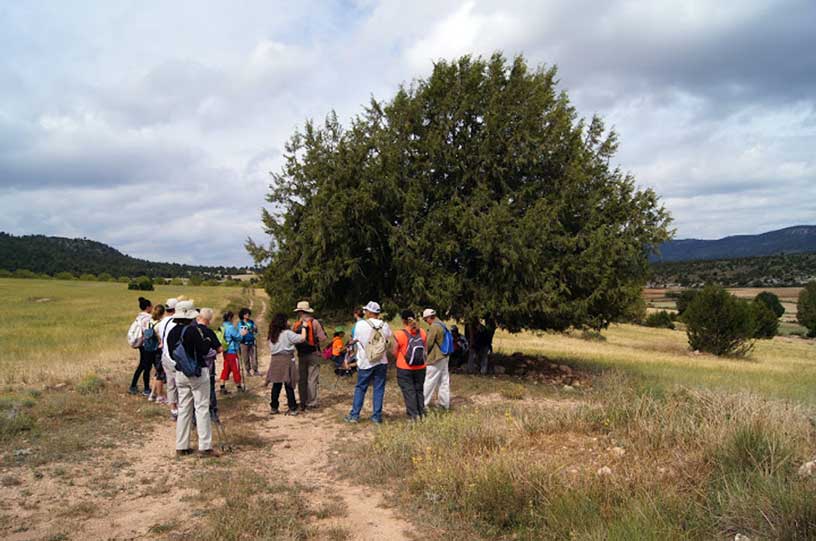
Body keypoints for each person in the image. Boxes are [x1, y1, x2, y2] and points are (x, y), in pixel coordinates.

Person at [167, 300, 218, 457]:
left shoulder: (171, 333)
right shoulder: (192, 331)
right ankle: (205, 446)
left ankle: (181, 446)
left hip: (181, 373)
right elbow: (203, 350)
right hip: (197, 372)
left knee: (184, 409)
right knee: (202, 408)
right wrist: (208, 340)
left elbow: (171, 354)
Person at [345, 301, 392, 424]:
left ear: (369, 312)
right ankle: (376, 416)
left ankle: (354, 415)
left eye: (366, 311)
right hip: (381, 360)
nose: (364, 312)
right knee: (379, 388)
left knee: (361, 388)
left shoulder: (361, 325)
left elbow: (355, 339)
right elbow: (387, 339)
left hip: (366, 361)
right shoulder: (385, 325)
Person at [264, 312, 307, 415]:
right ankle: (292, 407)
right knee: (289, 384)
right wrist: (304, 327)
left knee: (276, 385)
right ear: (283, 322)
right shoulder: (287, 333)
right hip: (286, 360)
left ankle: (274, 407)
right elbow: (302, 338)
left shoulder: (272, 335)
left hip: (275, 360)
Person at [292, 301, 327, 411]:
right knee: (312, 378)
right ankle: (311, 402)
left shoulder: (296, 324)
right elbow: (323, 338)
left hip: (301, 354)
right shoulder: (315, 322)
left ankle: (303, 401)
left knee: (302, 379)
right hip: (313, 353)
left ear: (300, 312)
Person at [394, 309, 427, 420]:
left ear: (403, 320)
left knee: (409, 391)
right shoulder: (422, 332)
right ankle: (421, 413)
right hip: (421, 366)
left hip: (404, 367)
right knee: (419, 390)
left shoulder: (399, 334)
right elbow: (425, 348)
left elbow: (394, 351)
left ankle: (413, 416)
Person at [422, 308, 451, 411]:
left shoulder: (434, 326)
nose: (426, 322)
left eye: (426, 320)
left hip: (436, 357)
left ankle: (423, 404)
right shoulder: (442, 324)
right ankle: (444, 404)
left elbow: (429, 343)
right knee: (444, 381)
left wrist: (425, 354)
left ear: (430, 317)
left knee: (429, 381)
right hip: (445, 356)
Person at [157, 298, 180, 419]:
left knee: (170, 384)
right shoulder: (175, 322)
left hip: (164, 355)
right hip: (174, 358)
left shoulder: (163, 322)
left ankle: (173, 409)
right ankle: (182, 408)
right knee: (180, 384)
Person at [129, 297, 153, 396]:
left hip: (140, 344)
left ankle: (133, 385)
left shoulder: (139, 317)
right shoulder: (148, 318)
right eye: (151, 305)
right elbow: (149, 332)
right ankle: (146, 388)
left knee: (142, 365)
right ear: (148, 307)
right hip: (146, 345)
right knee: (146, 367)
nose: (152, 307)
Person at [219, 311, 246, 394]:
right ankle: (239, 387)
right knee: (236, 369)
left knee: (226, 368)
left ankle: (222, 387)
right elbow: (238, 337)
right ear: (230, 318)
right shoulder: (230, 327)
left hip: (226, 350)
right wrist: (243, 334)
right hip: (232, 351)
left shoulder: (222, 326)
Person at [148, 304, 167, 403]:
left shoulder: (150, 322)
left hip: (151, 348)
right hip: (159, 348)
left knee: (156, 373)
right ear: (163, 313)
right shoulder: (160, 324)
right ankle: (160, 396)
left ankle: (152, 394)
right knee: (160, 373)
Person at [238, 308, 259, 376]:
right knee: (245, 357)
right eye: (246, 314)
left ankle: (255, 370)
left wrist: (255, 333)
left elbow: (256, 331)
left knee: (254, 357)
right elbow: (241, 333)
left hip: (252, 342)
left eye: (248, 313)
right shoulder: (241, 323)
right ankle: (248, 371)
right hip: (244, 343)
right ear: (242, 315)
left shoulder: (251, 322)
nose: (248, 315)